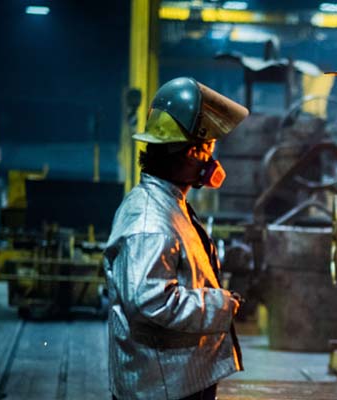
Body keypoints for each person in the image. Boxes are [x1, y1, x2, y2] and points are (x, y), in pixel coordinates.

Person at [104, 77, 248, 400]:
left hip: (177, 380)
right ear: (190, 152)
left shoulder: (171, 204)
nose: (212, 158)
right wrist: (220, 304)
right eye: (208, 147)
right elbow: (150, 301)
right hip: (162, 388)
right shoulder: (149, 221)